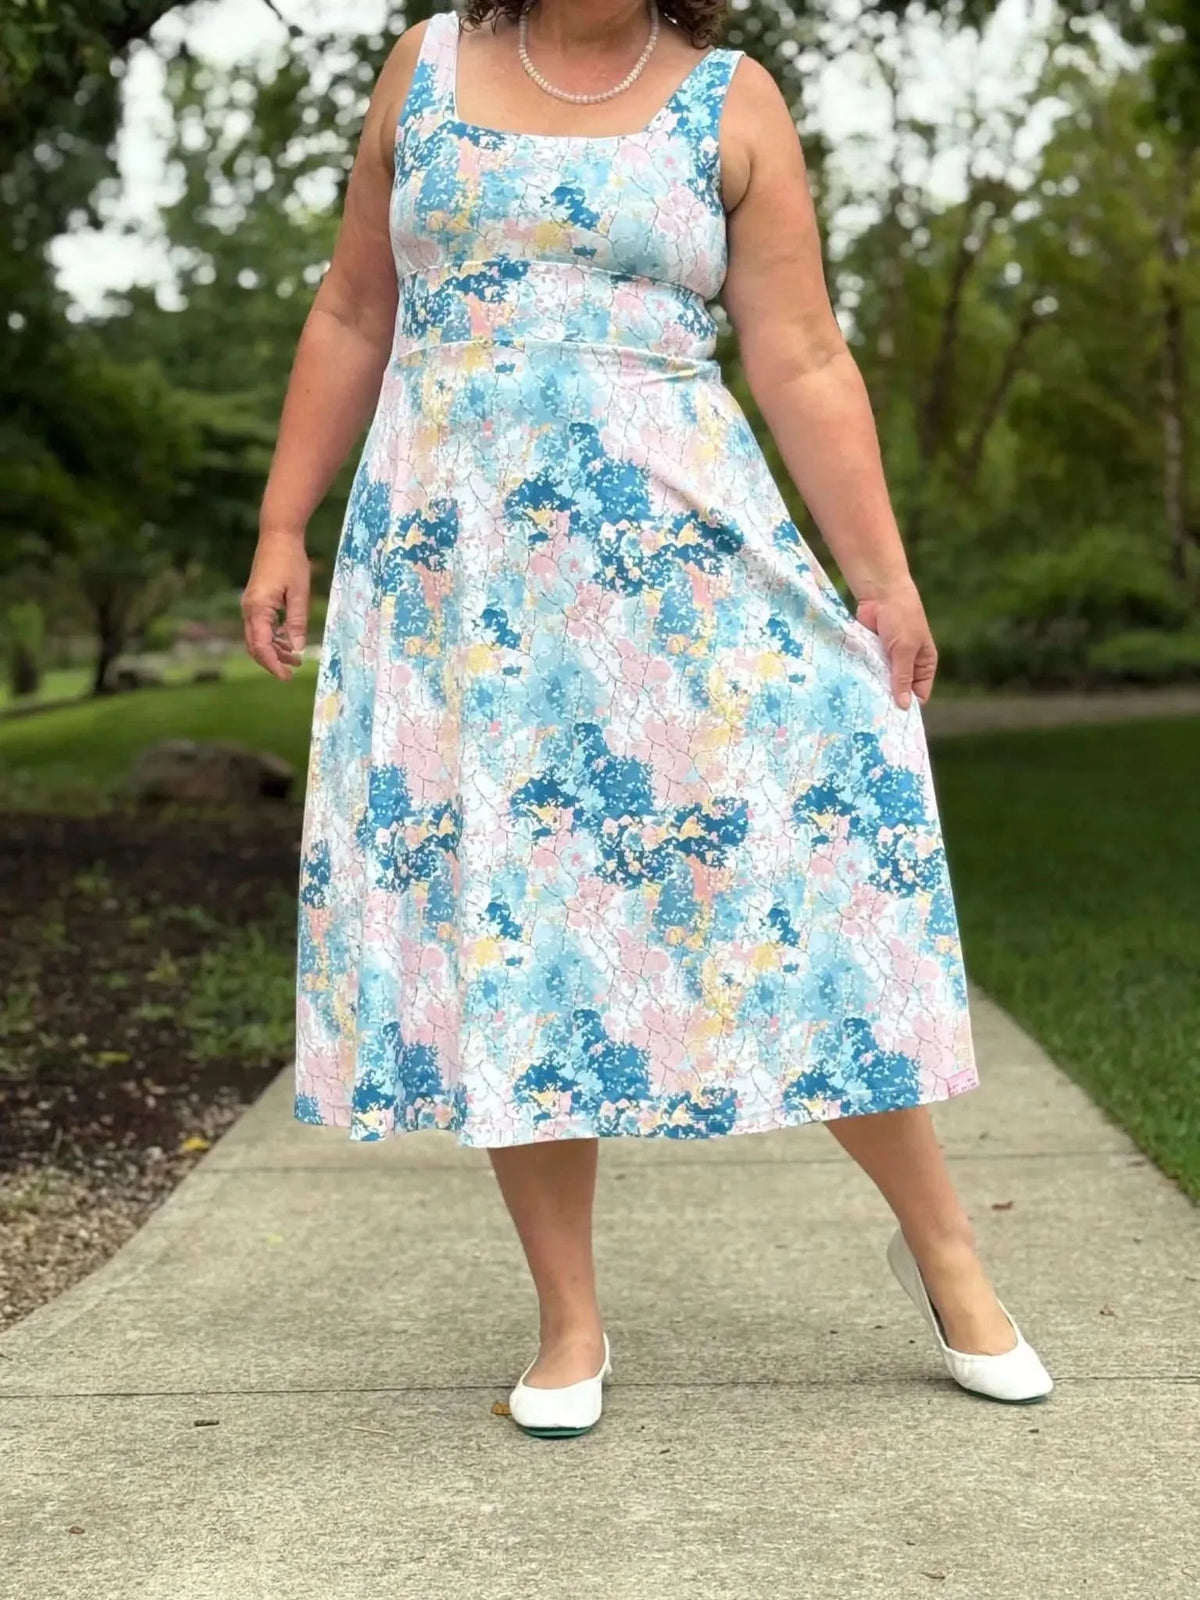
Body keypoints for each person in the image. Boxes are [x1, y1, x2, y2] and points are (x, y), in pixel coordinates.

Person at [242, 0, 1051, 1438]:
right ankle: (569, 1319)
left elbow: (802, 354)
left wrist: (882, 579)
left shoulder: (733, 100)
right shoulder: (424, 66)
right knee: (516, 909)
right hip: (459, 571)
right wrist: (280, 521)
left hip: (680, 557)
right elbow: (356, 310)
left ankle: (945, 1252)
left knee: (804, 878)